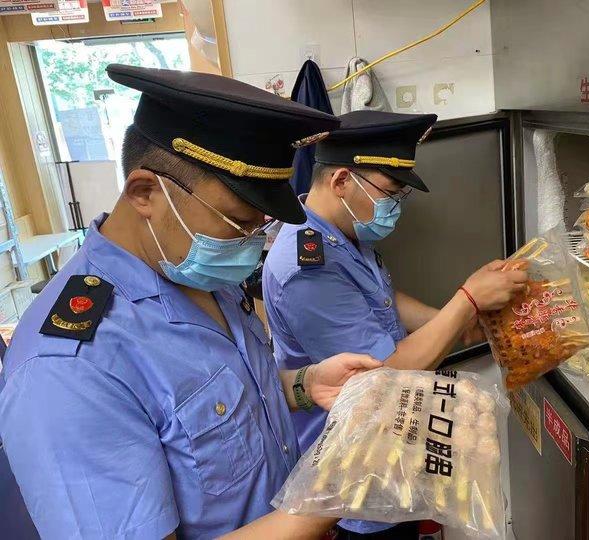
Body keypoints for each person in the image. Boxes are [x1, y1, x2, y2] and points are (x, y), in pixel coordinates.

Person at [0, 65, 383, 540]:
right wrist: (337, 490)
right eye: (239, 222)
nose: (251, 242)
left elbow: (214, 411)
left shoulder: (191, 265)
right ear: (145, 192)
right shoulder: (71, 367)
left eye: (260, 226)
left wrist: (304, 384)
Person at [262, 110, 528, 538]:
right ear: (341, 181)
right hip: (356, 472)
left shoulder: (342, 232)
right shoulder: (307, 268)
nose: (394, 209)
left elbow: (383, 299)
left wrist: (455, 321)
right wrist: (467, 301)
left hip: (393, 440)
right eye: (389, 194)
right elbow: (383, 373)